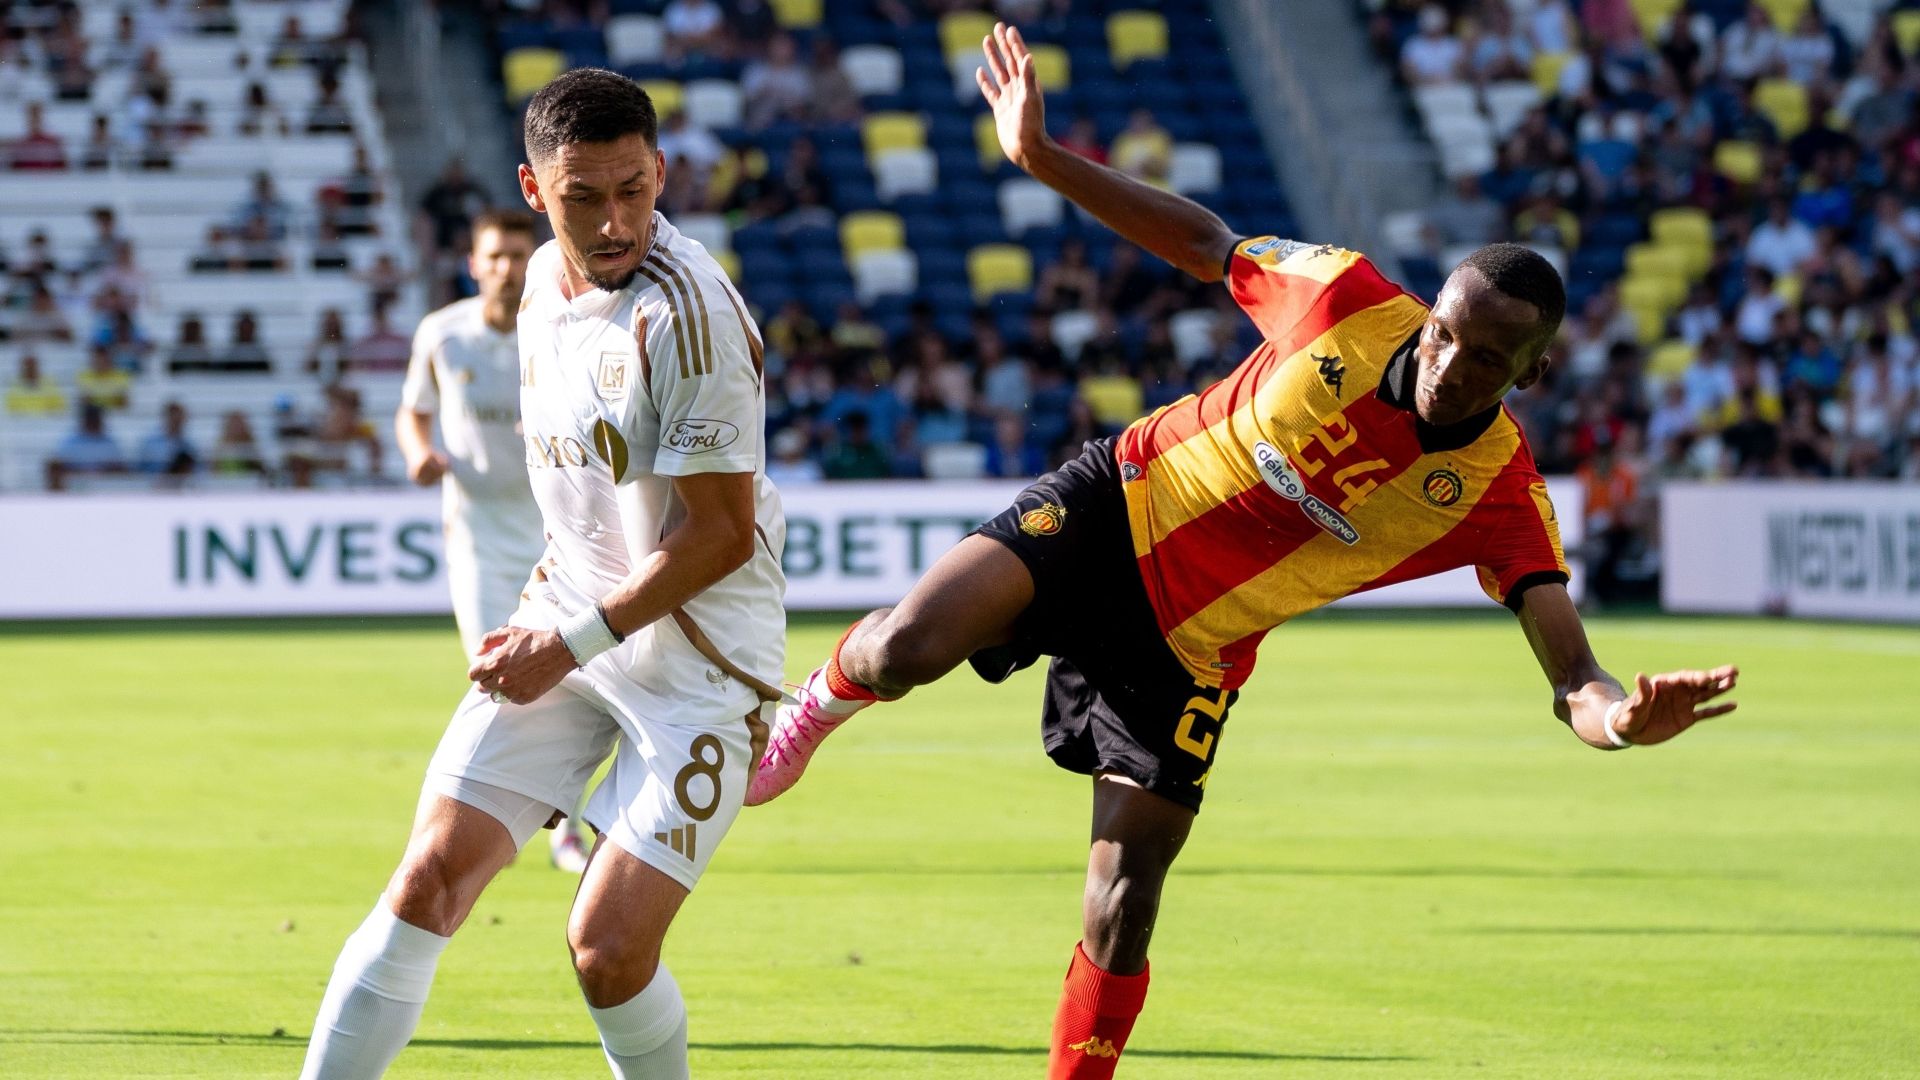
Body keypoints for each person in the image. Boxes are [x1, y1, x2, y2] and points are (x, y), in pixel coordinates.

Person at [747, 25, 1741, 1080]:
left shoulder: (1499, 494)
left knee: (1125, 901)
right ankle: (809, 709)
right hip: (1120, 503)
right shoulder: (1345, 298)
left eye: (1489, 359)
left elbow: (1572, 673)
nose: (1450, 363)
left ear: (1529, 376)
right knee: (908, 645)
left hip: (1195, 645)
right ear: (1432, 307)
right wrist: (1038, 156)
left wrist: (1622, 721)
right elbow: (1204, 242)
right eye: (1448, 331)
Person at [301, 68, 786, 1080]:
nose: (615, 222)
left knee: (606, 953)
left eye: (634, 191)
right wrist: (563, 631)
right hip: (573, 613)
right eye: (582, 197)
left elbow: (720, 537)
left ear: (660, 172)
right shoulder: (529, 292)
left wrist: (564, 645)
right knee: (428, 877)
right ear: (533, 192)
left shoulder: (686, 319)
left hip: (702, 661)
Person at [395, 209, 578, 870]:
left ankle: (564, 828)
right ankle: (501, 820)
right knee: (497, 673)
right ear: (474, 264)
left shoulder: (555, 328)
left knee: (566, 673)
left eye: (517, 256)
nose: (505, 269)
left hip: (554, 533)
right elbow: (413, 410)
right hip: (475, 533)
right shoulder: (443, 335)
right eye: (493, 256)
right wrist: (419, 453)